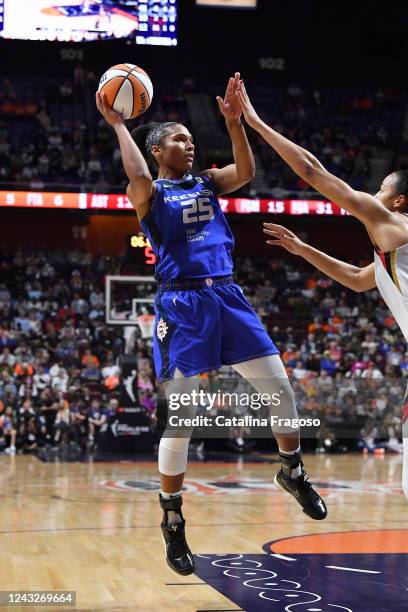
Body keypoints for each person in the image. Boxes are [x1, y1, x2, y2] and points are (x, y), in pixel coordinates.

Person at [96, 73, 327, 577]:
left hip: (227, 295)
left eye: (191, 138)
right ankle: (173, 519)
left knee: (280, 390)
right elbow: (135, 175)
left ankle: (292, 471)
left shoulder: (207, 181)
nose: (190, 143)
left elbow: (245, 171)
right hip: (182, 307)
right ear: (158, 150)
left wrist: (234, 123)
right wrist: (118, 123)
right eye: (180, 139)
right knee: (182, 420)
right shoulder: (150, 193)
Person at [235, 81, 408, 498]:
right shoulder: (392, 254)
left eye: (382, 188)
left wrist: (256, 123)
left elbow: (313, 172)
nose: (373, 193)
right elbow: (355, 278)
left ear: (399, 201)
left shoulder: (394, 227)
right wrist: (301, 248)